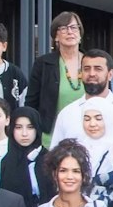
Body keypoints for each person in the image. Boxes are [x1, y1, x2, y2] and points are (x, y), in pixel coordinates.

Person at [51, 49, 113, 152]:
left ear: (110, 75)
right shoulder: (67, 114)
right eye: (87, 69)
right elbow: (55, 156)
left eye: (98, 69)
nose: (92, 73)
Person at [25, 11, 87, 142]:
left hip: (87, 133)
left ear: (80, 34)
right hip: (51, 136)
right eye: (64, 28)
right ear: (56, 36)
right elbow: (31, 104)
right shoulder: (43, 64)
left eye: (74, 27)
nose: (70, 32)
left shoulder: (91, 62)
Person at [0, 106, 47, 207]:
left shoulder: (50, 160)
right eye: (18, 127)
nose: (24, 133)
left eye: (30, 127)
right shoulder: (3, 163)